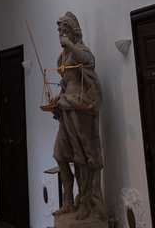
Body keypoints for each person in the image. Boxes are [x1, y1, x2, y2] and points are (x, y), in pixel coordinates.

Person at [50, 12, 105, 222]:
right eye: (59, 31)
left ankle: (86, 202)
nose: (61, 34)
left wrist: (70, 44)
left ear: (74, 33)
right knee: (60, 154)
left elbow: (88, 62)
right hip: (66, 105)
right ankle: (68, 202)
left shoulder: (80, 50)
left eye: (65, 31)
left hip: (79, 106)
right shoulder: (63, 56)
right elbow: (65, 82)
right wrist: (57, 99)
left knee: (82, 156)